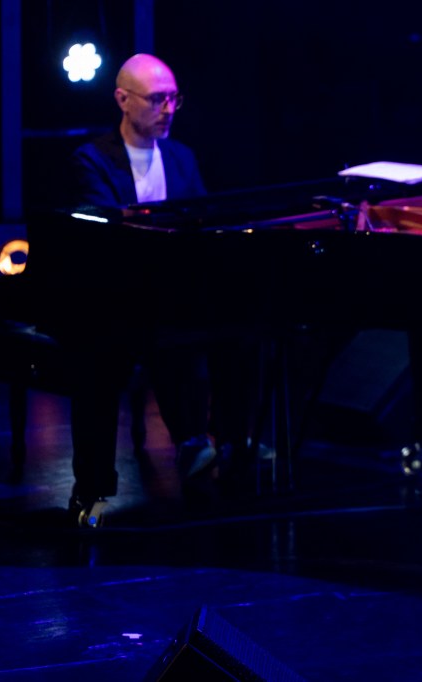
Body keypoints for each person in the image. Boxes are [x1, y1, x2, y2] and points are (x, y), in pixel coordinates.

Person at [62, 54, 257, 527]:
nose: (168, 109)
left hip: (173, 297)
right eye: (156, 99)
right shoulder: (91, 159)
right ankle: (97, 485)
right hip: (115, 301)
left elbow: (203, 225)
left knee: (241, 335)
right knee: (109, 357)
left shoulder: (182, 157)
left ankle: (228, 444)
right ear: (122, 100)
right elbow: (106, 235)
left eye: (174, 99)